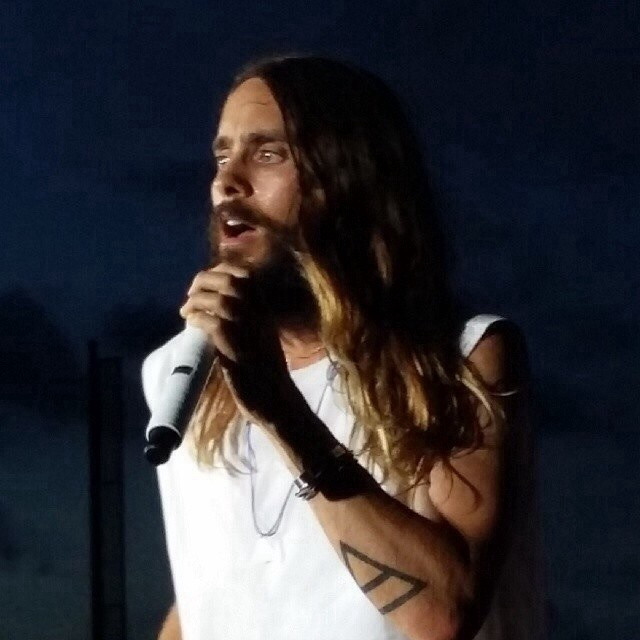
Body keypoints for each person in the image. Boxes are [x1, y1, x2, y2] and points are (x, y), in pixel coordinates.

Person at [141, 55, 546, 640]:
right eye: (222, 156)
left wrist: (281, 409)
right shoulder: (179, 375)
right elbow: (215, 591)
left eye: (268, 154)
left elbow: (442, 615)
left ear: (350, 178)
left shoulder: (459, 357)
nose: (227, 182)